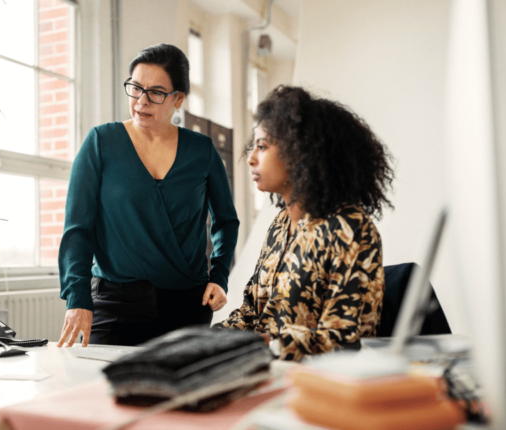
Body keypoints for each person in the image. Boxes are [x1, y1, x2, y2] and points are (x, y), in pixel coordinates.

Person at [57, 44, 239, 348]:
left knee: (184, 395)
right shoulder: (101, 143)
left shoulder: (202, 151)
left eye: (156, 92)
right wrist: (77, 297)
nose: (142, 101)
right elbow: (78, 228)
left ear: (179, 98)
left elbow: (226, 221)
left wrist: (219, 276)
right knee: (100, 392)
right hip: (114, 302)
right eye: (135, 88)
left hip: (187, 306)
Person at [213, 86, 394, 361]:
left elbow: (347, 339)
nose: (250, 158)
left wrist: (266, 345)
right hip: (260, 373)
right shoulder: (280, 224)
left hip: (312, 384)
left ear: (301, 153)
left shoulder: (349, 229)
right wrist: (204, 341)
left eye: (262, 147)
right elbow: (250, 313)